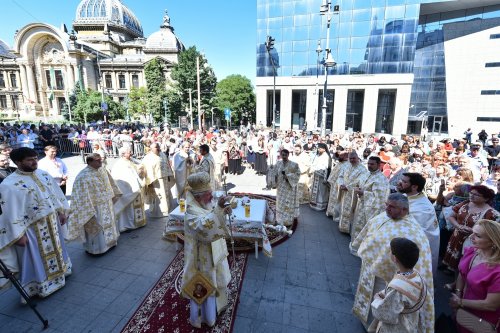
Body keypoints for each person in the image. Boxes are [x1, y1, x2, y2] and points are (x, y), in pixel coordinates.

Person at [351, 193, 434, 332]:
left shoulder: (414, 232)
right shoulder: (383, 216)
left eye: (392, 207)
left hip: (389, 279)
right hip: (371, 270)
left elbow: (413, 263)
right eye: (386, 205)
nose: (387, 209)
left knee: (383, 306)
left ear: (404, 210)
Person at [0, 147, 71, 297]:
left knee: (57, 249)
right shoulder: (8, 185)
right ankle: (40, 287)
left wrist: (61, 211)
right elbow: (9, 213)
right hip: (31, 229)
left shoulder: (43, 175)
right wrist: (17, 236)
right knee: (35, 258)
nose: (34, 162)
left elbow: (54, 194)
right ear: (18, 162)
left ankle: (61, 274)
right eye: (29, 159)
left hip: (52, 221)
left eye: (35, 158)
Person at [181, 172, 233, 328]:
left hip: (213, 252)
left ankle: (219, 306)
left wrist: (223, 212)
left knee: (217, 277)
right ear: (198, 197)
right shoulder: (191, 211)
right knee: (206, 284)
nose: (212, 197)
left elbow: (212, 215)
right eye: (209, 195)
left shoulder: (203, 203)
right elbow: (204, 228)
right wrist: (218, 211)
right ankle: (206, 317)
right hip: (201, 259)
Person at [449, 219, 500, 332]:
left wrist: (459, 302)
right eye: (472, 232)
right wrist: (458, 293)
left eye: (478, 235)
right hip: (463, 310)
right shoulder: (472, 251)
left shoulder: (497, 270)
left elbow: (490, 305)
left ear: (492, 241)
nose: (471, 237)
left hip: (481, 319)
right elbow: (462, 274)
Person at [369, 238, 428, 333]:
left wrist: (377, 299)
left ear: (395, 258)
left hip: (398, 326)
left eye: (391, 251)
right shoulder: (418, 276)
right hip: (411, 320)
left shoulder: (397, 287)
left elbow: (386, 313)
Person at [67, 153, 121, 255]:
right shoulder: (83, 176)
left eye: (100, 159)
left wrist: (113, 195)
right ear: (90, 161)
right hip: (94, 207)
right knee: (98, 226)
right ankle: (98, 249)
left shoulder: (103, 169)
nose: (101, 161)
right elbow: (80, 195)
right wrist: (88, 209)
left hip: (107, 203)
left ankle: (111, 243)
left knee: (110, 223)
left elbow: (110, 183)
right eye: (97, 160)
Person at [442, 185, 499, 271]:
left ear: (486, 199)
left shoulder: (491, 213)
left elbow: (491, 232)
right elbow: (451, 216)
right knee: (455, 263)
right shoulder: (466, 203)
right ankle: (454, 280)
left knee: (465, 265)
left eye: (476, 195)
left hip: (473, 242)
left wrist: (473, 232)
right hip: (456, 236)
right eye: (471, 193)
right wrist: (458, 226)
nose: (471, 196)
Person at [396, 172, 440, 275]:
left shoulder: (423, 208)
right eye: (401, 180)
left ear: (415, 187)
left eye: (404, 181)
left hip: (415, 248)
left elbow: (416, 233)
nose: (400, 183)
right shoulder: (405, 196)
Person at [350, 156, 390, 244]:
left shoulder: (381, 179)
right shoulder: (367, 174)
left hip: (370, 208)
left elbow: (380, 198)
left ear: (379, 165)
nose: (369, 165)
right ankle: (355, 243)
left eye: (372, 164)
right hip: (361, 204)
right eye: (368, 163)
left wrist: (363, 193)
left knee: (364, 227)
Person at [111, 147, 147, 232]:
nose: (131, 153)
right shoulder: (119, 164)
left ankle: (138, 223)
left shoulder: (130, 161)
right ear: (123, 154)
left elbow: (135, 172)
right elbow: (122, 178)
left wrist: (140, 171)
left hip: (135, 188)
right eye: (129, 152)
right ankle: (129, 224)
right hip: (128, 190)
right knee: (129, 208)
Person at [337, 151, 369, 234]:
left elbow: (360, 181)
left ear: (358, 158)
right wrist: (341, 184)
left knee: (352, 210)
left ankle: (349, 229)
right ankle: (342, 226)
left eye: (353, 158)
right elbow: (340, 176)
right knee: (343, 208)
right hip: (344, 191)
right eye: (350, 158)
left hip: (353, 194)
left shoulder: (362, 169)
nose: (352, 160)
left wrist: (347, 187)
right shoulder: (347, 166)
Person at [141, 142, 175, 217]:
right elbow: (146, 169)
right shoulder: (148, 157)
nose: (158, 148)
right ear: (151, 149)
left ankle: (168, 210)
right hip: (156, 180)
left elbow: (167, 165)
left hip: (165, 178)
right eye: (156, 147)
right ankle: (159, 212)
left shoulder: (162, 154)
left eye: (159, 147)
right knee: (159, 196)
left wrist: (169, 175)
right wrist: (149, 181)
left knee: (166, 194)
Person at [274, 149, 300, 227]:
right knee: (280, 203)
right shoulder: (278, 163)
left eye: (285, 155)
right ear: (281, 155)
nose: (284, 157)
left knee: (288, 204)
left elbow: (298, 174)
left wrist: (288, 176)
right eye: (282, 155)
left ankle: (287, 221)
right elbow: (275, 173)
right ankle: (279, 220)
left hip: (289, 188)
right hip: (281, 188)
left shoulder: (294, 164)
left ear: (288, 155)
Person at [326, 151, 349, 218]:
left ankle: (335, 214)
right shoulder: (340, 163)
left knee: (337, 200)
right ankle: (330, 212)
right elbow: (334, 172)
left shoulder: (347, 165)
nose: (339, 157)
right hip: (334, 184)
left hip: (339, 185)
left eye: (341, 156)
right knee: (332, 199)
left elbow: (344, 176)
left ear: (345, 156)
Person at [309, 143, 331, 211]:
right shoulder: (318, 155)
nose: (318, 149)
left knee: (321, 192)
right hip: (315, 176)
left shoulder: (326, 157)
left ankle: (321, 206)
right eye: (318, 148)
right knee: (315, 190)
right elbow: (314, 164)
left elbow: (326, 168)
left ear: (324, 149)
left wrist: (324, 178)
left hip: (321, 177)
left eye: (320, 148)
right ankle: (313, 204)